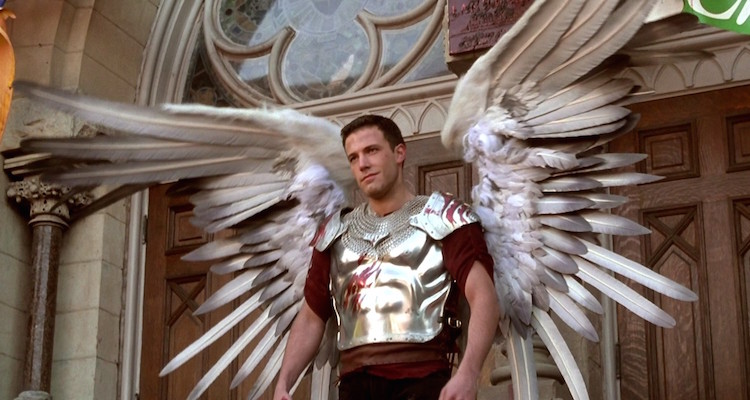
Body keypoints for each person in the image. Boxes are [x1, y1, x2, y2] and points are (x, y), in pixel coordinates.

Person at [273, 115, 500, 400]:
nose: (362, 164)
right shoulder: (335, 232)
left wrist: (469, 373)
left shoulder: (443, 216)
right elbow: (311, 317)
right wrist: (284, 383)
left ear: (399, 152)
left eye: (371, 151)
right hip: (354, 386)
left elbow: (483, 295)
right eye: (353, 158)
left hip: (424, 382)